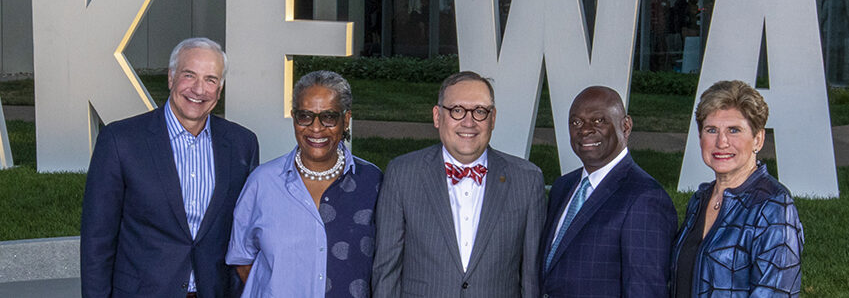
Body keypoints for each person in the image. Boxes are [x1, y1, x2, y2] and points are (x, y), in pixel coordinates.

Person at [81, 37, 260, 298]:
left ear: (220, 89)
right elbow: (97, 240)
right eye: (189, 75)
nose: (199, 90)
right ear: (171, 78)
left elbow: (246, 231)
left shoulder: (242, 144)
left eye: (210, 79)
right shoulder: (120, 141)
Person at [372, 71, 545, 298]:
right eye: (457, 110)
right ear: (437, 116)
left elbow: (532, 277)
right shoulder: (403, 174)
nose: (469, 122)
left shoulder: (527, 180)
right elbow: (386, 269)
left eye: (480, 111)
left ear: (493, 119)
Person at [228, 70, 382, 297]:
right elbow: (242, 258)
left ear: (346, 120)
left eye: (328, 116)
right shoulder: (263, 182)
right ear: (294, 117)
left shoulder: (372, 182)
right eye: (305, 116)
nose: (316, 128)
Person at [670, 80, 803, 297]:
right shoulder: (701, 199)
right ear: (700, 137)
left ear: (758, 139)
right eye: (711, 130)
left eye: (734, 130)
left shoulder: (774, 207)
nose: (721, 142)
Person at [540, 86, 677, 297]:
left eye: (599, 121)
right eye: (576, 122)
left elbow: (645, 291)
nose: (585, 130)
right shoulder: (562, 187)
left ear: (626, 126)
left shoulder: (645, 199)